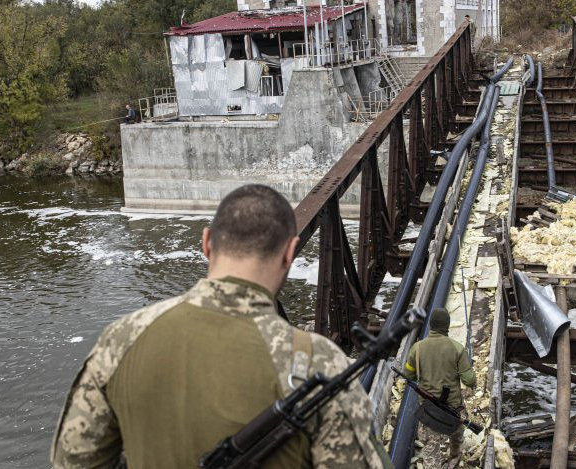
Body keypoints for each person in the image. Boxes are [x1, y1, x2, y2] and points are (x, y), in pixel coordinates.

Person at [51, 184, 388, 468]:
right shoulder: (318, 362)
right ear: (290, 253)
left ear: (207, 243)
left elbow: (74, 459)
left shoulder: (121, 339)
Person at [402, 308, 475, 466]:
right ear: (447, 326)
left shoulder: (417, 348)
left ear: (431, 325)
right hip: (453, 406)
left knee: (431, 447)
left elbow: (408, 375)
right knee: (457, 434)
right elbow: (469, 380)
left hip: (429, 409)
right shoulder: (457, 348)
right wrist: (470, 371)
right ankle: (455, 456)